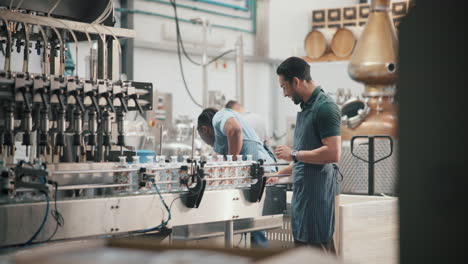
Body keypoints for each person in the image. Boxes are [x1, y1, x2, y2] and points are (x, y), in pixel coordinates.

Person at [273, 57, 341, 253]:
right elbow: (304, 158)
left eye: (284, 87)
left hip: (317, 196)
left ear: (296, 81)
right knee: (304, 250)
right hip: (304, 195)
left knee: (317, 252)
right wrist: (278, 175)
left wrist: (293, 153)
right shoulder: (306, 109)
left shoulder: (325, 107)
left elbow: (333, 153)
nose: (285, 94)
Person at [197, 107, 276, 248]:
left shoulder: (220, 116)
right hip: (258, 174)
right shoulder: (221, 137)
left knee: (254, 228)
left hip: (259, 175)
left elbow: (235, 130)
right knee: (250, 228)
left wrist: (231, 166)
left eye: (202, 138)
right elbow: (215, 159)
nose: (206, 143)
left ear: (204, 130)